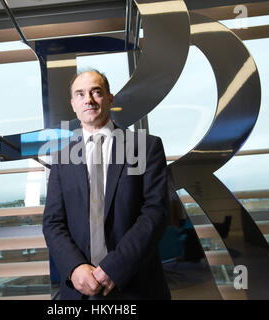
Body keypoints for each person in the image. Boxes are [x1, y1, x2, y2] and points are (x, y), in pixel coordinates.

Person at [42, 70, 171, 299]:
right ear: (73, 105)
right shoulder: (61, 159)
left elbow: (155, 212)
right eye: (80, 94)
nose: (88, 99)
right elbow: (53, 222)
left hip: (135, 285)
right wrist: (74, 268)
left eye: (96, 92)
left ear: (110, 99)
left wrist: (115, 268)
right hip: (79, 289)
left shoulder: (144, 147)